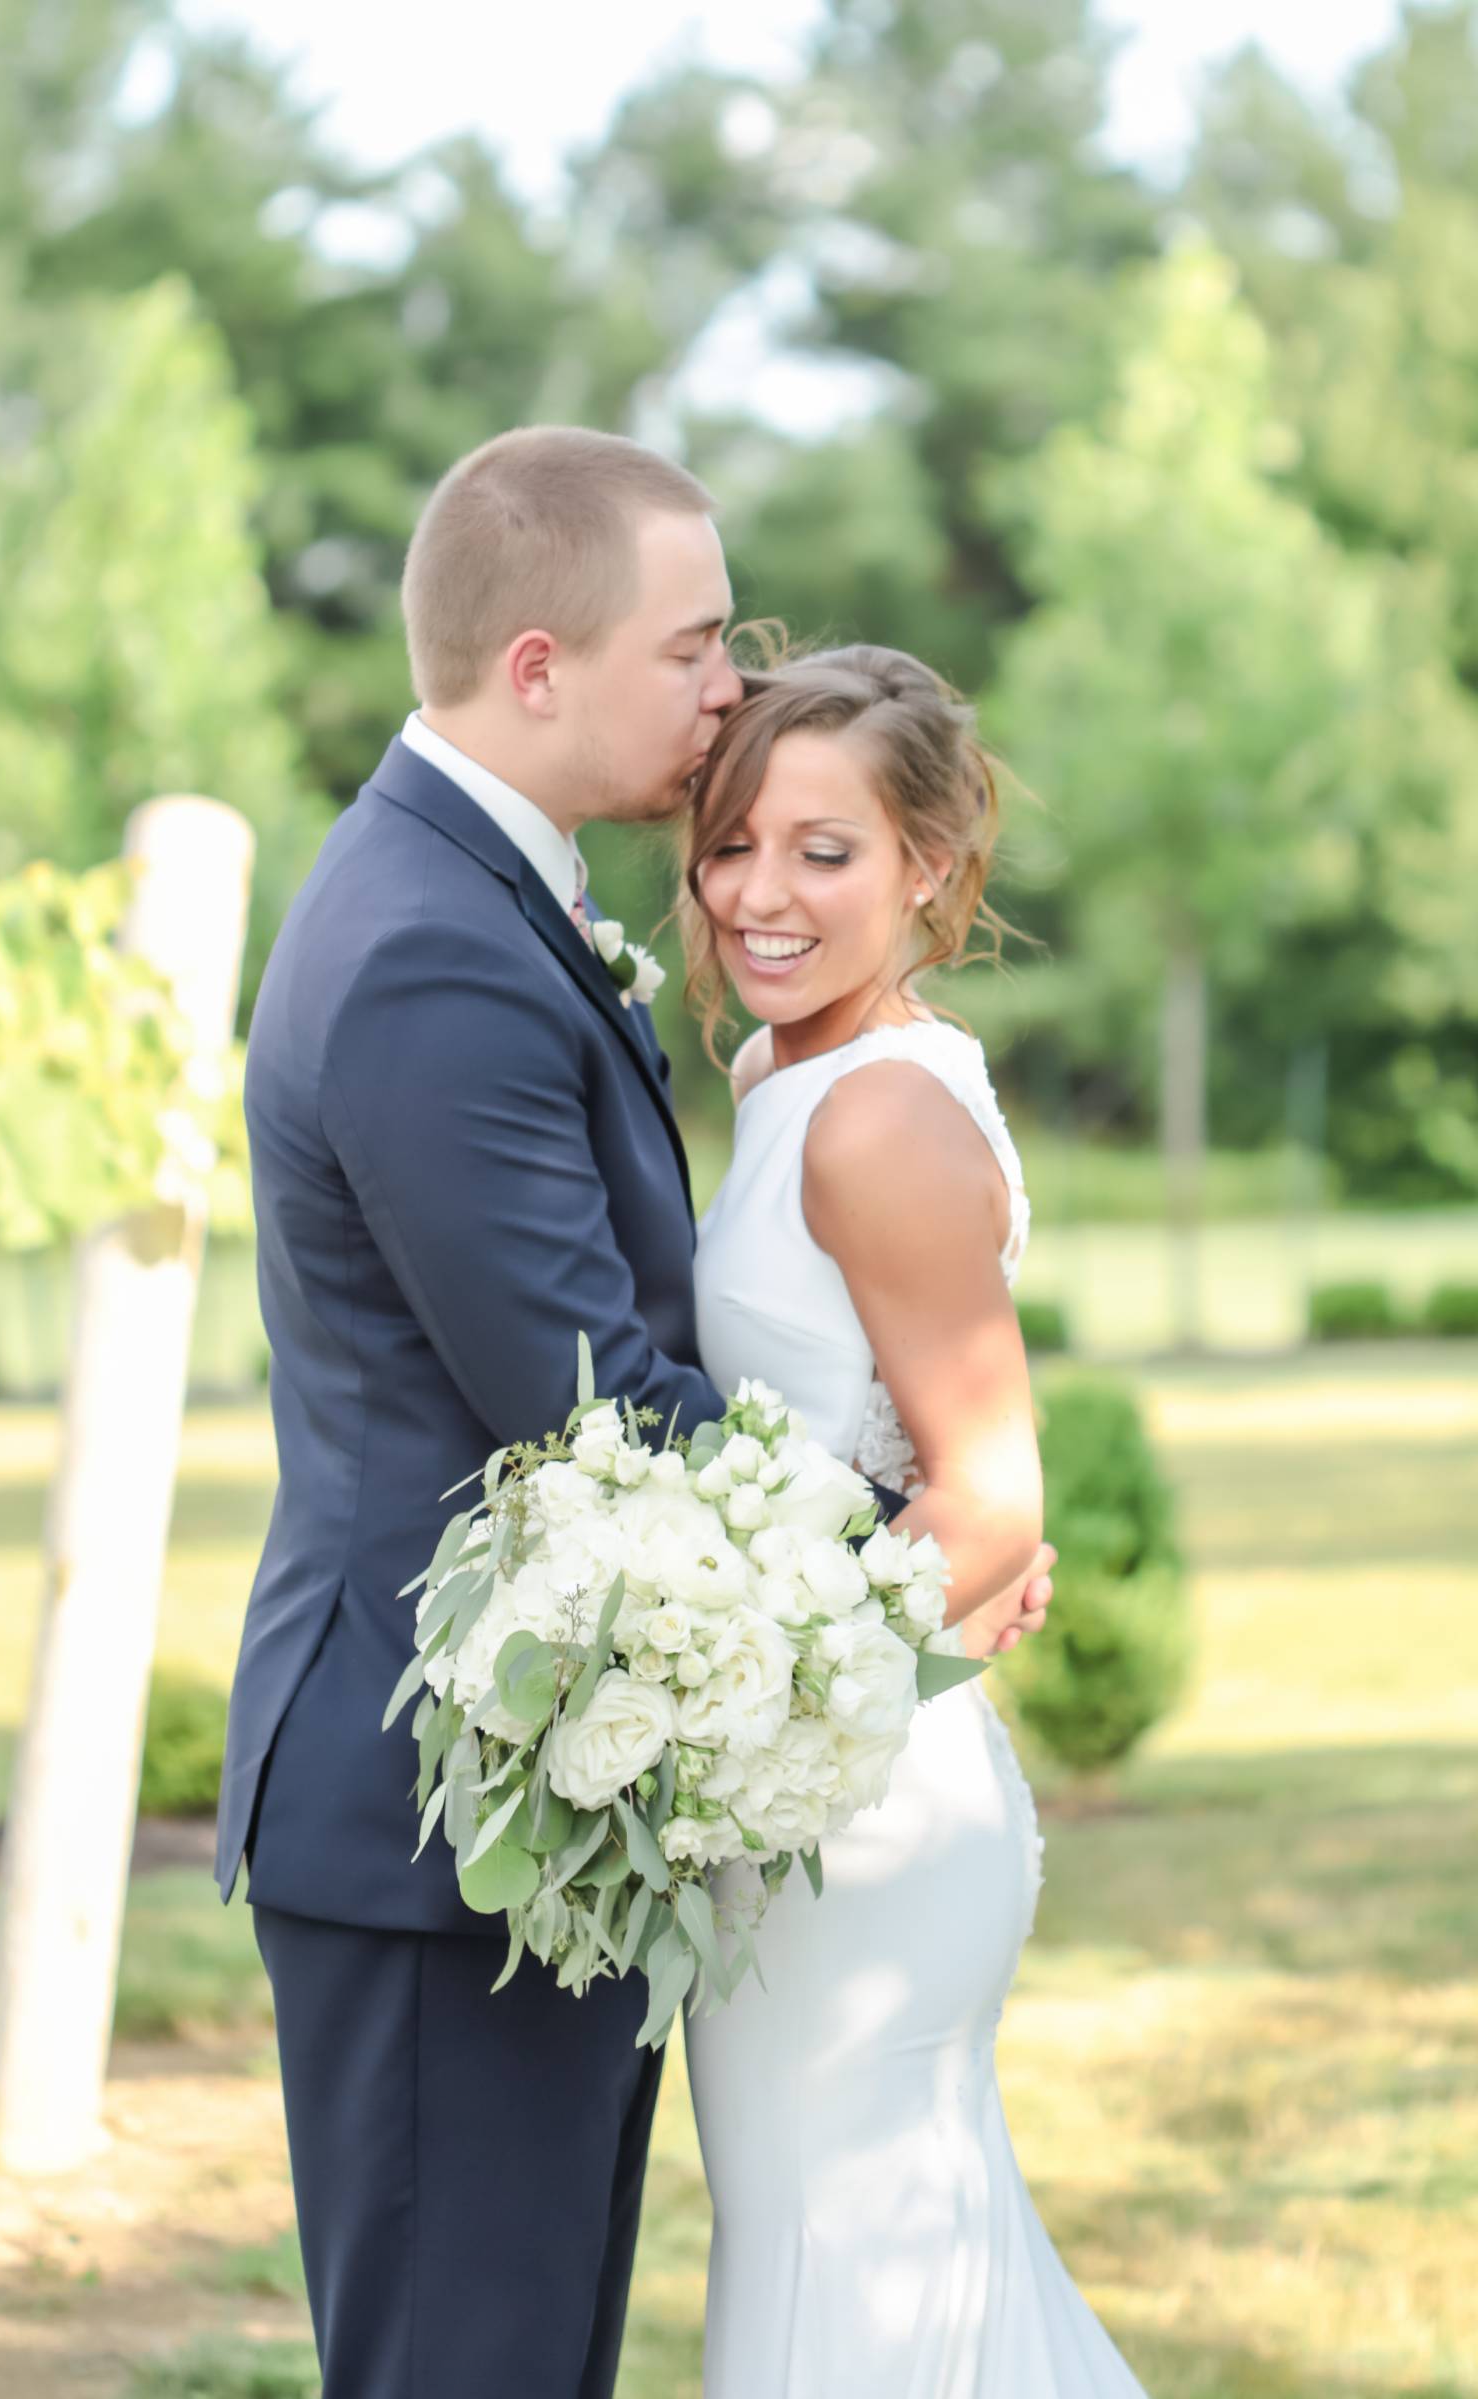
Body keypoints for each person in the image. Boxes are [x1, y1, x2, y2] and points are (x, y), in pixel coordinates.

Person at [215, 425, 1053, 2397]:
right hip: (445, 1819)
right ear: (535, 666)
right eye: (685, 647)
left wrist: (943, 1539)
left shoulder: (481, 901)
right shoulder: (433, 953)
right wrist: (908, 1565)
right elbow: (599, 1409)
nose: (719, 690)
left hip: (573, 1792)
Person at [681, 644, 1148, 2395]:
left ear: (930, 866)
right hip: (814, 1789)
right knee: (880, 2287)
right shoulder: (794, 1079)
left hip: (853, 1821)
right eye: (733, 844)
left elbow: (991, 1504)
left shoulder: (874, 1113)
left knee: (846, 2298)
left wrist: (729, 1706)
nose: (759, 894)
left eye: (827, 851)